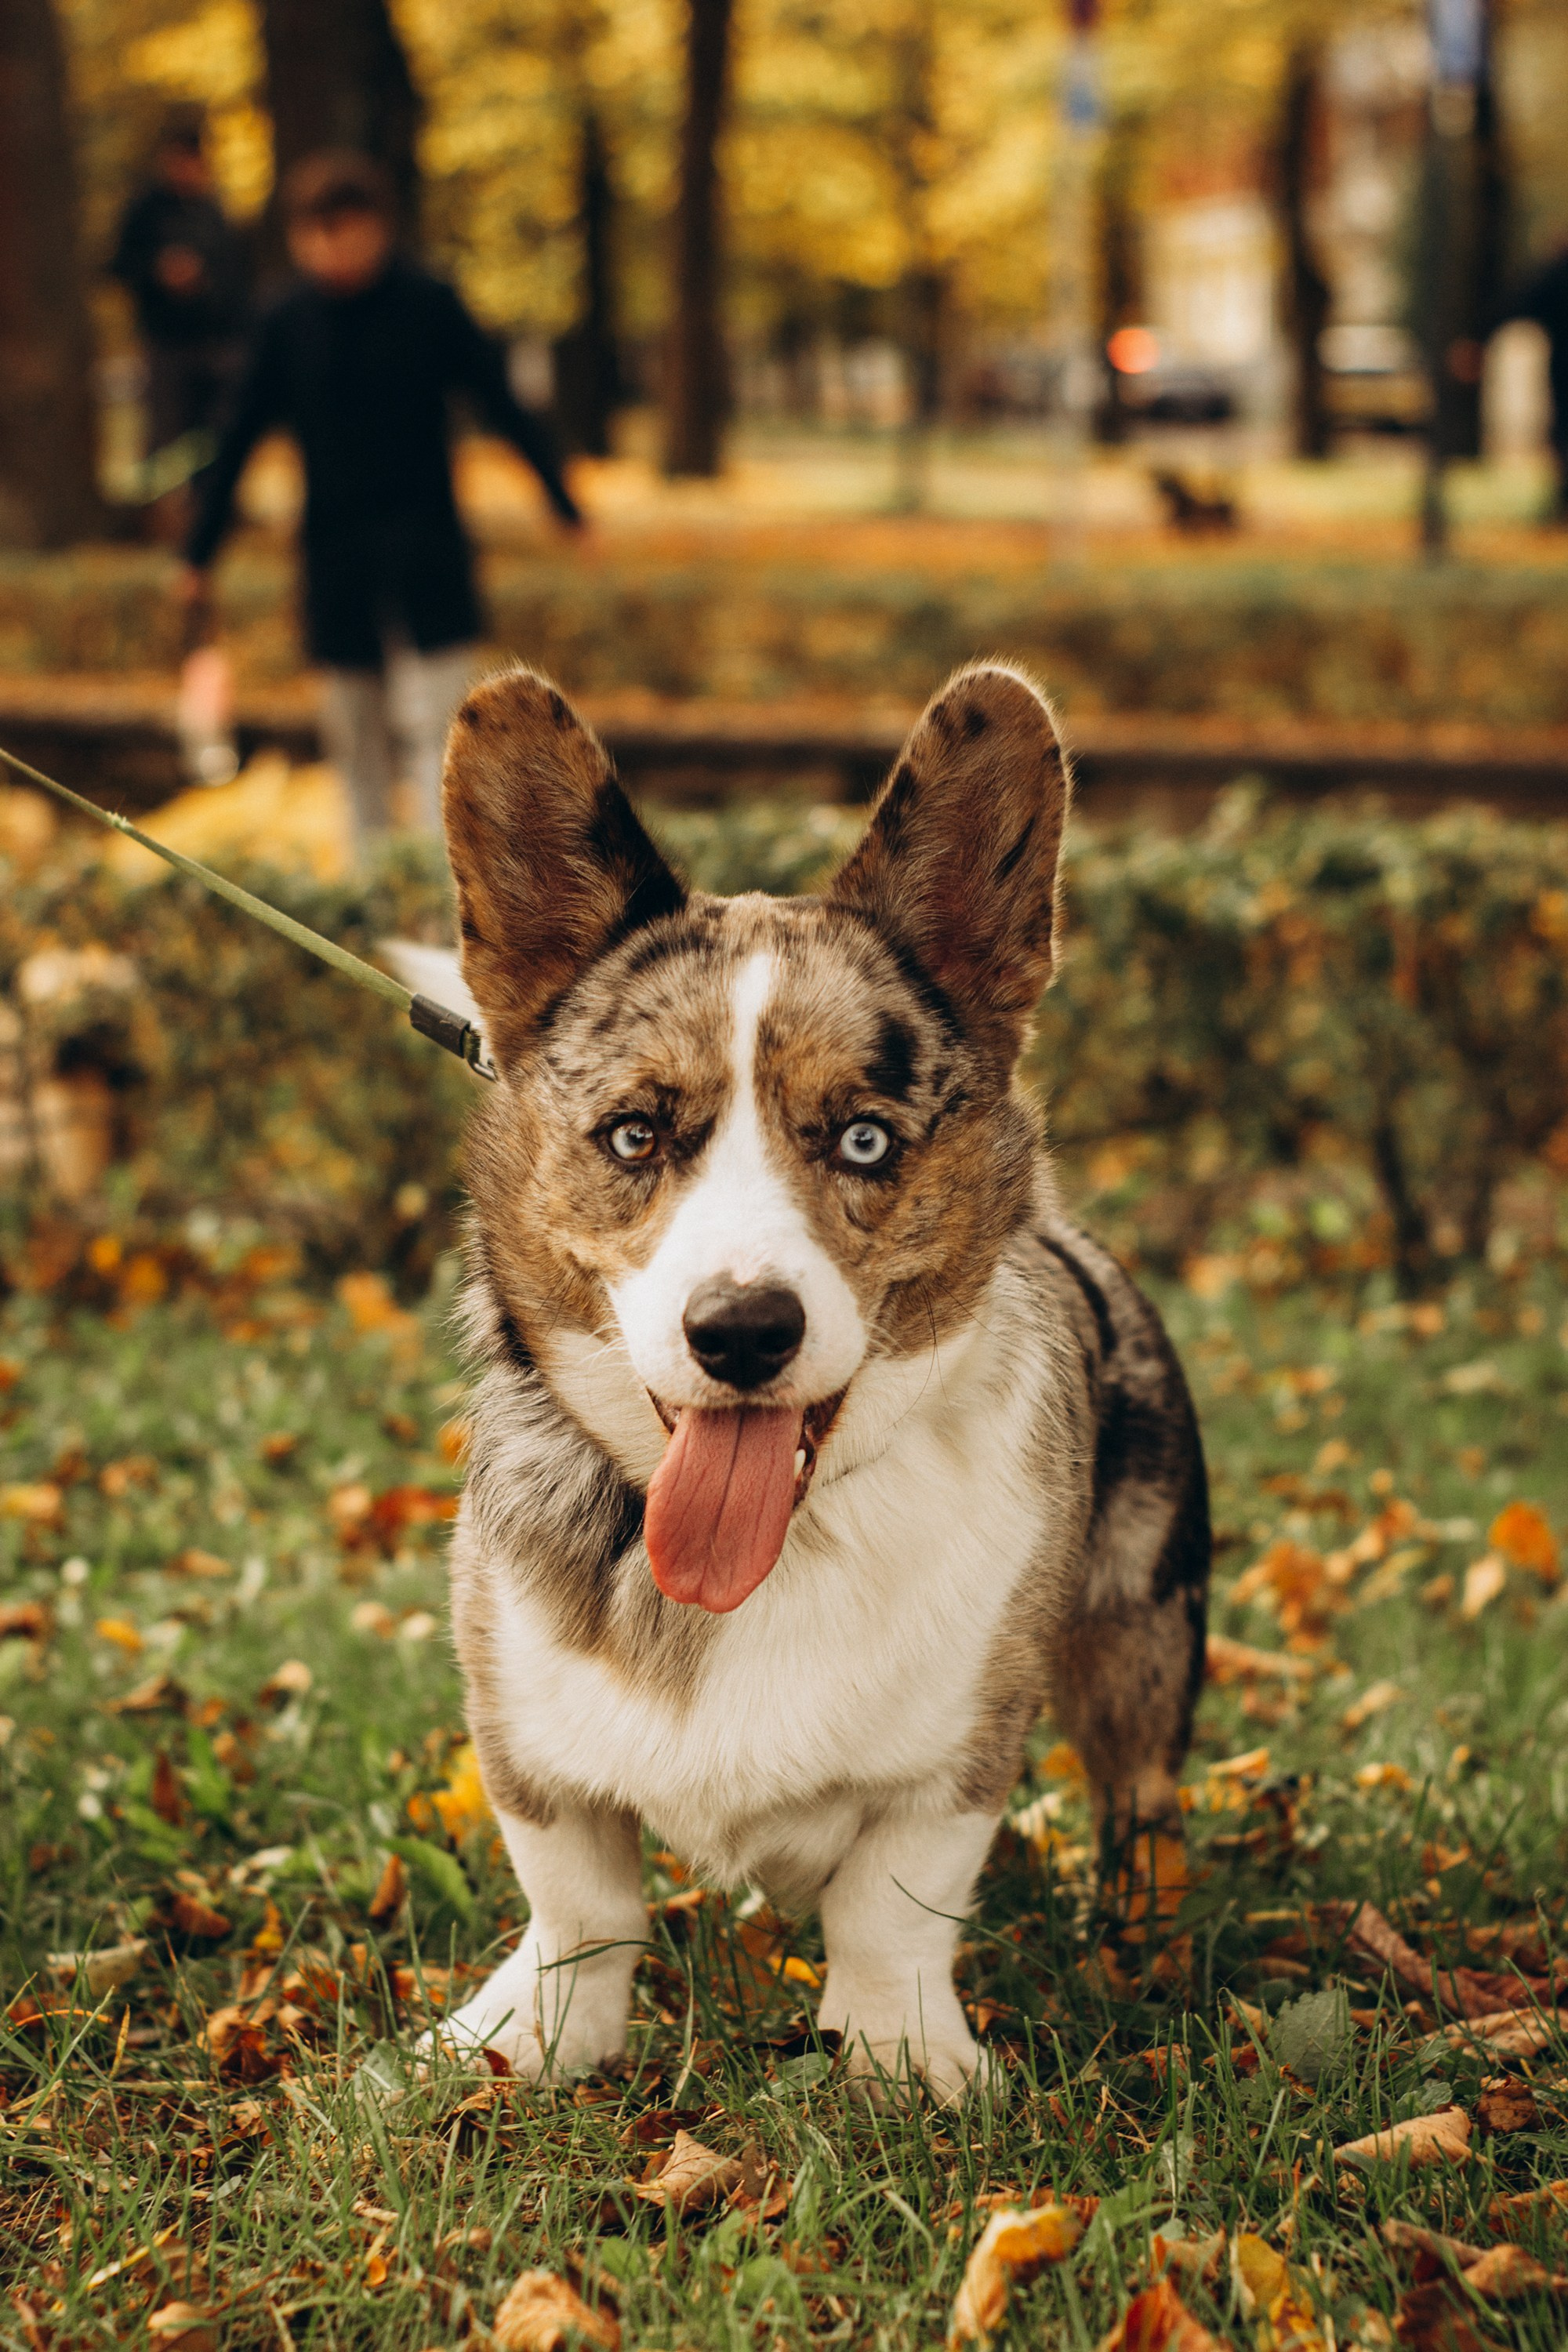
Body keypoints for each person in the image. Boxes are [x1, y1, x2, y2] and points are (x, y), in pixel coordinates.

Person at [180, 151, 583, 847]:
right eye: (317, 234)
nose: (333, 249)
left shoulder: (430, 304)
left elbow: (502, 404)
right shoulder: (285, 322)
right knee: (354, 730)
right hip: (336, 552)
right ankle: (372, 878)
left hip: (427, 544)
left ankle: (441, 877)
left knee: (444, 731)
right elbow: (236, 436)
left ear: (378, 228)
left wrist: (564, 503)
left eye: (346, 231)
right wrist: (200, 551)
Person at [111, 107, 250, 481]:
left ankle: (210, 499)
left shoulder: (215, 212)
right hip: (165, 342)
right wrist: (159, 272)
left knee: (213, 433)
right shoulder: (145, 211)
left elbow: (237, 275)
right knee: (165, 434)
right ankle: (162, 504)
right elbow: (118, 266)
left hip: (216, 342)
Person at [1474, 243, 1568, 521]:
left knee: (1564, 433)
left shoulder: (1558, 272)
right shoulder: (1558, 274)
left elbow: (1520, 302)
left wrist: (1478, 339)